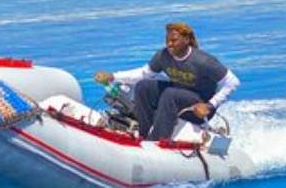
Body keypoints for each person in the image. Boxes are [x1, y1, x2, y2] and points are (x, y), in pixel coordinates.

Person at [95, 22, 240, 141]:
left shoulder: (203, 61)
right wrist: (113, 76)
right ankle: (144, 134)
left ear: (187, 40)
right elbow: (144, 74)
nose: (169, 44)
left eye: (174, 40)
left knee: (170, 94)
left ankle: (158, 140)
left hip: (199, 107)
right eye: (167, 41)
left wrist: (209, 105)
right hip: (177, 97)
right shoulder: (163, 56)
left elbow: (232, 82)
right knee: (143, 86)